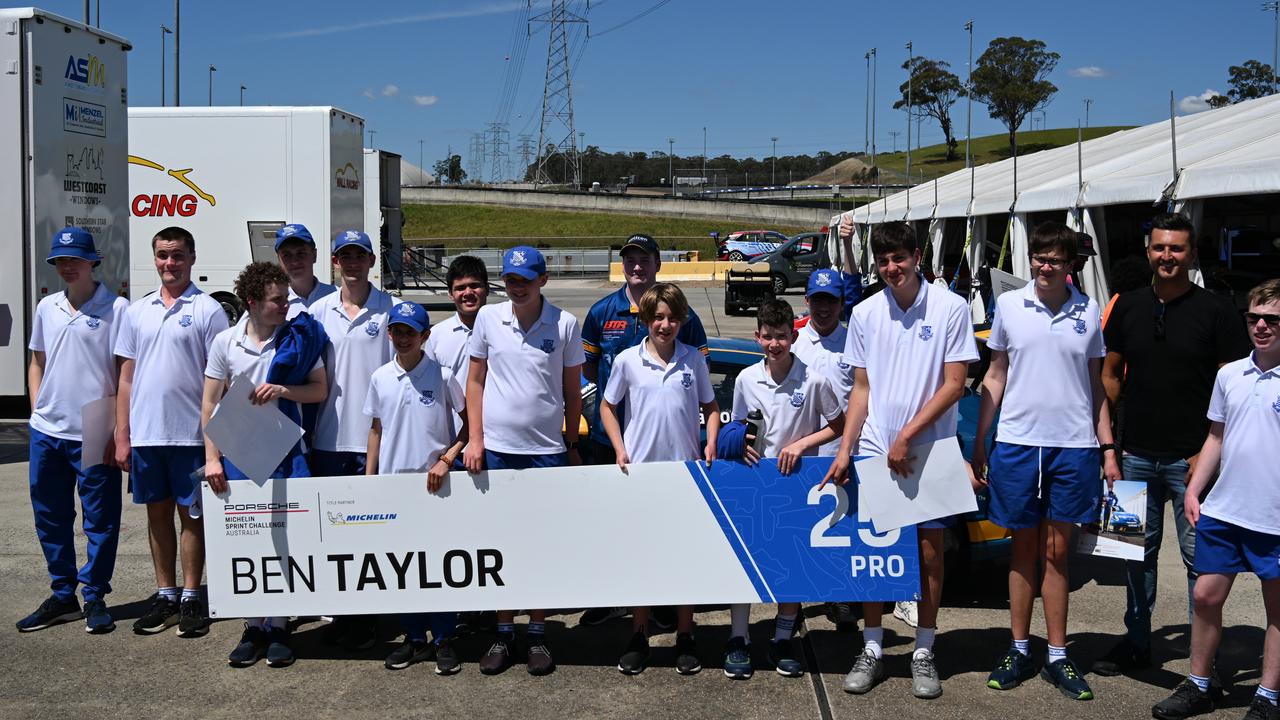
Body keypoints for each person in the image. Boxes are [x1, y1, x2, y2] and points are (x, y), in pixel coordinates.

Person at [820, 221, 980, 700]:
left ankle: (924, 649)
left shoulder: (951, 307)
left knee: (932, 552)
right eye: (884, 262)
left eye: (900, 259)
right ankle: (872, 647)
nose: (892, 269)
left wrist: (908, 435)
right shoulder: (867, 312)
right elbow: (862, 391)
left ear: (917, 256)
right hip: (876, 448)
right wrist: (846, 448)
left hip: (929, 448)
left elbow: (955, 383)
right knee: (877, 553)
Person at [971, 221, 1122, 702]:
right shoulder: (1010, 307)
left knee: (1059, 556)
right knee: (1021, 551)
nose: (1045, 265)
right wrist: (981, 441)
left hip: (1074, 448)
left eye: (1055, 258)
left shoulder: (1088, 309)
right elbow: (995, 376)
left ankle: (1058, 654)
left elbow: (1096, 386)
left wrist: (1108, 449)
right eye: (1039, 257)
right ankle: (1018, 648)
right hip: (1017, 445)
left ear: (1071, 264)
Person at [1095, 213, 1250, 677]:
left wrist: (1209, 452)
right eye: (1160, 248)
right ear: (1148, 252)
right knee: (1130, 555)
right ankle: (1137, 641)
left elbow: (1234, 388)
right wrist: (1111, 444)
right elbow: (1109, 372)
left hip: (1193, 461)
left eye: (1176, 249)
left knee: (1200, 562)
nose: (1167, 256)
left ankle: (1204, 658)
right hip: (1132, 457)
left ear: (1191, 253)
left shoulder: (1218, 311)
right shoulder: (1126, 305)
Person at [1151, 279, 1280, 720]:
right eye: (1254, 317)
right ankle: (1200, 685)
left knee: (1276, 607)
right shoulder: (1229, 374)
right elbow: (1216, 437)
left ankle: (1268, 696)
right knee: (1205, 596)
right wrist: (1193, 487)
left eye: (1272, 319)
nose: (1261, 326)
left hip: (1274, 516)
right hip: (1225, 509)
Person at [464, 245, 585, 676]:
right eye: (511, 280)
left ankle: (536, 631)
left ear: (543, 281)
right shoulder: (488, 319)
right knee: (500, 542)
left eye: (525, 280)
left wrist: (571, 443)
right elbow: (474, 382)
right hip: (496, 450)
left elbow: (573, 393)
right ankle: (502, 629)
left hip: (546, 452)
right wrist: (474, 440)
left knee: (540, 543)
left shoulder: (565, 324)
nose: (517, 287)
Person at [200, 262, 327, 668]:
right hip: (239, 453)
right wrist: (211, 457)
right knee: (247, 541)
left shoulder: (298, 339)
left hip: (285, 452)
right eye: (277, 300)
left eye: (286, 298)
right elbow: (209, 402)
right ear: (252, 302)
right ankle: (253, 625)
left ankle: (279, 626)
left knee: (287, 541)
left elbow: (320, 390)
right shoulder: (225, 341)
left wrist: (285, 389)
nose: (286, 305)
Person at [578, 233, 707, 629]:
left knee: (666, 531)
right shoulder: (603, 311)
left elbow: (700, 377)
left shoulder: (684, 315)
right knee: (614, 526)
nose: (637, 266)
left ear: (657, 264)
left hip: (665, 448)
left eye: (644, 259)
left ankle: (665, 602)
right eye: (630, 259)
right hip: (612, 441)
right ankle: (614, 597)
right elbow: (590, 371)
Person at [113, 225, 230, 638]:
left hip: (190, 438)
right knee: (156, 514)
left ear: (192, 258)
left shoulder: (208, 311)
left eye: (178, 255)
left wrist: (214, 443)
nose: (170, 263)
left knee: (192, 517)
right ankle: (165, 593)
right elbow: (126, 378)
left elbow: (219, 382)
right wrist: (122, 434)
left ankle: (192, 596)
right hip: (147, 436)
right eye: (163, 255)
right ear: (155, 258)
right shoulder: (136, 311)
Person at [599, 283, 720, 676]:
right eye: (657, 318)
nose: (664, 324)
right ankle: (640, 633)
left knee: (682, 559)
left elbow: (712, 407)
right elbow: (606, 406)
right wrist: (619, 448)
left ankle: (686, 634)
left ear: (682, 321)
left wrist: (711, 444)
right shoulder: (627, 361)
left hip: (685, 475)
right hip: (641, 477)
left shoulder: (693, 361)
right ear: (645, 320)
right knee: (643, 558)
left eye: (671, 318)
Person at [724, 298, 843, 680]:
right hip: (757, 478)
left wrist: (803, 445)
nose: (774, 344)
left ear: (793, 337)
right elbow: (740, 426)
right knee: (745, 562)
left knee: (791, 565)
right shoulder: (745, 379)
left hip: (797, 481)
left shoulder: (814, 379)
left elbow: (839, 425)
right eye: (767, 337)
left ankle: (781, 638)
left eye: (781, 337)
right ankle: (739, 638)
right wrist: (740, 443)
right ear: (757, 337)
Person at [16, 228, 128, 634]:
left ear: (92, 262)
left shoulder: (117, 309)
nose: (66, 266)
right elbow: (37, 362)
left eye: (74, 260)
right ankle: (63, 594)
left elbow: (123, 372)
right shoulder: (48, 307)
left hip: (95, 426)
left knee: (100, 519)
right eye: (60, 261)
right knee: (50, 515)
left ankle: (94, 593)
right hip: (48, 429)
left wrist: (120, 429)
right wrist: (35, 411)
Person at [308, 229, 399, 650]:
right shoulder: (318, 310)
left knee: (371, 533)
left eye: (360, 256)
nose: (352, 263)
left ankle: (369, 616)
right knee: (335, 533)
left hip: (372, 439)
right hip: (328, 436)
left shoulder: (390, 309)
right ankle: (343, 613)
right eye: (345, 256)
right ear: (334, 262)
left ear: (371, 262)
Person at [365, 301, 466, 676]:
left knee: (438, 563)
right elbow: (375, 429)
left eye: (411, 331)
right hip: (394, 487)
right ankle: (414, 637)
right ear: (389, 333)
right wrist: (370, 479)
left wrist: (447, 459)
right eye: (397, 331)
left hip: (434, 484)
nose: (403, 337)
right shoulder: (380, 377)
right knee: (404, 565)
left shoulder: (441, 375)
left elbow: (469, 425)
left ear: (425, 336)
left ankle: (443, 637)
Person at [426, 255, 489, 445]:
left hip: (498, 441)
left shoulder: (505, 329)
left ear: (487, 288)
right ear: (450, 294)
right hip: (453, 441)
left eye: (474, 285)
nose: (468, 292)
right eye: (460, 288)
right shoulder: (436, 335)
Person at [272, 223, 336, 320]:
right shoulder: (273, 305)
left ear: (314, 255)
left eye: (301, 253)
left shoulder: (336, 296)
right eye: (287, 255)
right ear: (279, 260)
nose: (294, 261)